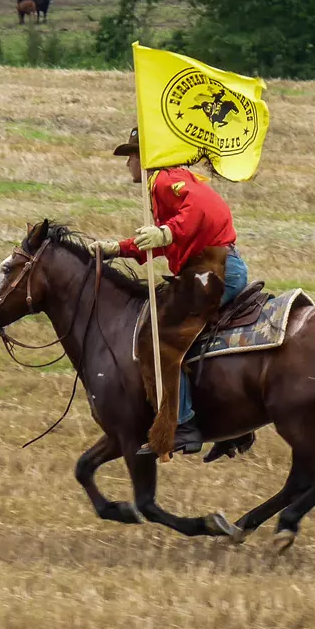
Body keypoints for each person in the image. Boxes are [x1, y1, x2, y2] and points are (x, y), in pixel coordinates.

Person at [84, 127, 251, 457]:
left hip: (213, 271)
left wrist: (165, 232)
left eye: (131, 156)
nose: (128, 164)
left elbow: (202, 209)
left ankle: (185, 425)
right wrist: (119, 248)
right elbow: (164, 243)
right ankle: (231, 425)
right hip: (214, 266)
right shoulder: (165, 183)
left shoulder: (164, 180)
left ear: (141, 157)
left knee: (156, 341)